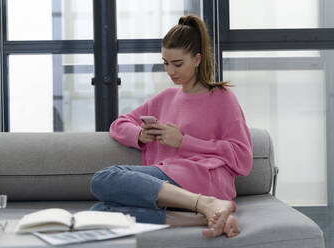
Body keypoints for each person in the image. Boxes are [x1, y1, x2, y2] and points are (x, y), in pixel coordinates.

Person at [90, 14, 253, 238]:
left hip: (204, 179)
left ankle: (206, 203)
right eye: (166, 63)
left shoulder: (222, 97)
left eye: (178, 64)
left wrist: (184, 142)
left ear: (197, 59)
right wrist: (140, 135)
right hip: (172, 187)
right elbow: (118, 125)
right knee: (100, 212)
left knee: (103, 179)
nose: (170, 71)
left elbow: (242, 157)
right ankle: (203, 215)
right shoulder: (166, 97)